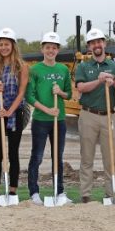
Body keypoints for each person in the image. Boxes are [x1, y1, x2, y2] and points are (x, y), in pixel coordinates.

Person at [74, 28, 115, 203]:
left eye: (99, 41)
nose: (96, 45)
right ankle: (85, 194)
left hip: (108, 116)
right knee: (87, 156)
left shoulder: (114, 65)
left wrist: (112, 79)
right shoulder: (83, 66)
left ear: (104, 43)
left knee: (110, 156)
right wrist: (99, 80)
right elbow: (81, 88)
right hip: (88, 114)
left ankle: (111, 193)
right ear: (89, 46)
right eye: (93, 42)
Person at [26, 31, 73, 205]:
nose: (50, 50)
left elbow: (69, 94)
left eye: (54, 47)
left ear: (58, 50)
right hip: (40, 120)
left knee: (57, 157)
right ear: (42, 49)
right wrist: (46, 109)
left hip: (59, 121)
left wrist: (60, 92)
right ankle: (34, 192)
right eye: (47, 47)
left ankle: (59, 192)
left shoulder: (63, 70)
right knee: (37, 157)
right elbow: (29, 96)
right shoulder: (35, 70)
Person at [0, 28, 29, 203]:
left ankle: (12, 191)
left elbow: (21, 93)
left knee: (13, 153)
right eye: (1, 44)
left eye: (7, 44)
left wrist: (10, 111)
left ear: (13, 45)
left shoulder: (22, 66)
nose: (4, 47)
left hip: (15, 113)